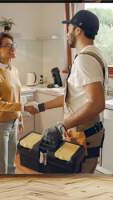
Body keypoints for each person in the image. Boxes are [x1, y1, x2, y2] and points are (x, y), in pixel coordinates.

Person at [29, 10, 108, 173]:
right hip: (84, 132)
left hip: (83, 133)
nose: (67, 33)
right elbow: (73, 96)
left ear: (78, 30)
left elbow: (97, 103)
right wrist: (41, 106)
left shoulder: (85, 60)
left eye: (69, 28)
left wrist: (61, 126)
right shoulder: (93, 54)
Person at [0, 32, 36, 174]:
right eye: (7, 45)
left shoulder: (14, 70)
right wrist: (23, 107)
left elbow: (16, 96)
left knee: (11, 165)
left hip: (13, 124)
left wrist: (19, 118)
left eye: (13, 45)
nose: (12, 48)